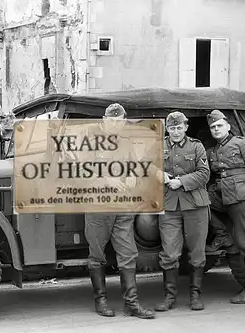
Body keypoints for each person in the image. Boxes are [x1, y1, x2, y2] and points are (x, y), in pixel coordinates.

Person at [84, 103, 155, 319]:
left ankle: (131, 304)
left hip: (123, 206)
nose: (116, 124)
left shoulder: (125, 142)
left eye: (120, 121)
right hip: (98, 205)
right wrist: (108, 180)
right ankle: (101, 301)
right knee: (97, 255)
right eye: (112, 120)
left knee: (128, 254)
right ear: (105, 120)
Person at [204, 109, 245, 304]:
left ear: (228, 126)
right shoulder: (213, 151)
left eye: (219, 126)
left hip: (243, 198)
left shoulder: (242, 144)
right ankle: (223, 235)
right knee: (199, 203)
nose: (216, 129)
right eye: (213, 127)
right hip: (223, 196)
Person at [149, 111, 211, 312]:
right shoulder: (158, 146)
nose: (175, 131)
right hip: (169, 206)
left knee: (197, 252)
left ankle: (195, 296)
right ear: (167, 128)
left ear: (186, 127)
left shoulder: (196, 146)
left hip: (195, 205)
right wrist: (159, 174)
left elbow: (204, 174)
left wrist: (181, 182)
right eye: (172, 128)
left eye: (179, 127)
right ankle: (169, 297)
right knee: (169, 253)